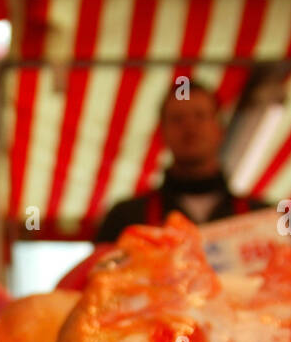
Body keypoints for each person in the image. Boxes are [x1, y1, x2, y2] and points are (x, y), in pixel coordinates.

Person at [93, 80, 267, 243]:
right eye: (177, 119)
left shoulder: (265, 218)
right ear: (162, 133)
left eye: (200, 116)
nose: (190, 126)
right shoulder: (126, 218)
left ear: (219, 128)